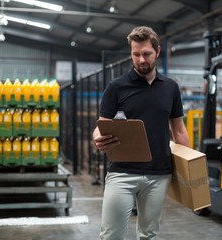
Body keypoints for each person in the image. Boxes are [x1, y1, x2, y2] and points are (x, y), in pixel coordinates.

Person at [92, 26, 190, 240]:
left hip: (159, 174)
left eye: (146, 54)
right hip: (122, 172)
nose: (141, 60)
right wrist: (97, 138)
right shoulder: (116, 87)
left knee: (149, 234)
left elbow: (179, 130)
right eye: (136, 54)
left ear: (158, 51)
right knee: (111, 235)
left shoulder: (171, 88)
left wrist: (189, 166)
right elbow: (102, 125)